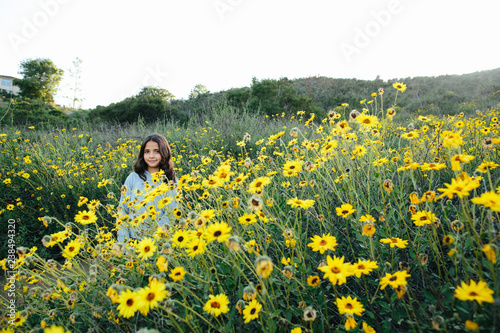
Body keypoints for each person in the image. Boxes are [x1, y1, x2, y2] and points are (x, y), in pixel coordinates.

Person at [117, 134, 178, 242]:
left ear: (165, 153)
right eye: (147, 151)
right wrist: (125, 242)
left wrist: (153, 239)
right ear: (142, 154)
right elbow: (122, 210)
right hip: (133, 242)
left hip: (160, 242)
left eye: (156, 151)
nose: (151, 156)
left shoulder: (170, 180)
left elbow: (171, 214)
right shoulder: (133, 177)